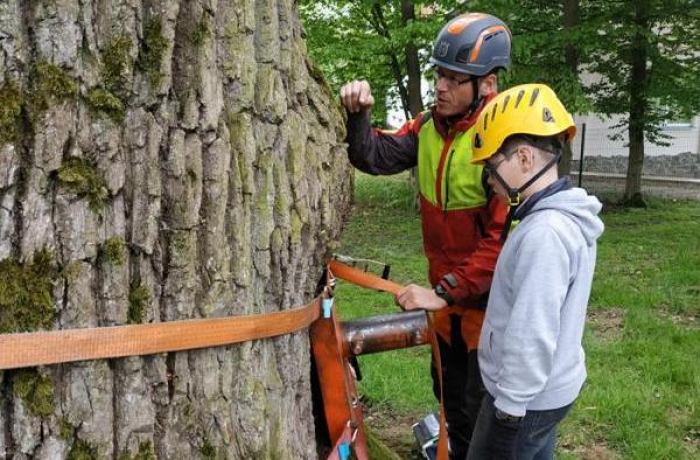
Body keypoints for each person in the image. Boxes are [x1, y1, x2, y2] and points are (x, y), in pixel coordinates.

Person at [340, 13, 512, 459]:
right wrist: (359, 115)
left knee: (485, 420)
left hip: (488, 312)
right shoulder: (427, 127)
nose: (441, 87)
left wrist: (444, 292)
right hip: (446, 304)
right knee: (452, 406)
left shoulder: (503, 143)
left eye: (455, 79)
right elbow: (374, 157)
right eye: (439, 75)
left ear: (487, 85)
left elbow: (501, 242)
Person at [465, 83, 605, 460]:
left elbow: (533, 332)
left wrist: (507, 412)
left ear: (524, 158)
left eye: (491, 168)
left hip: (524, 403)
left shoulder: (545, 233)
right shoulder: (558, 217)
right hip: (547, 391)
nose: (489, 181)